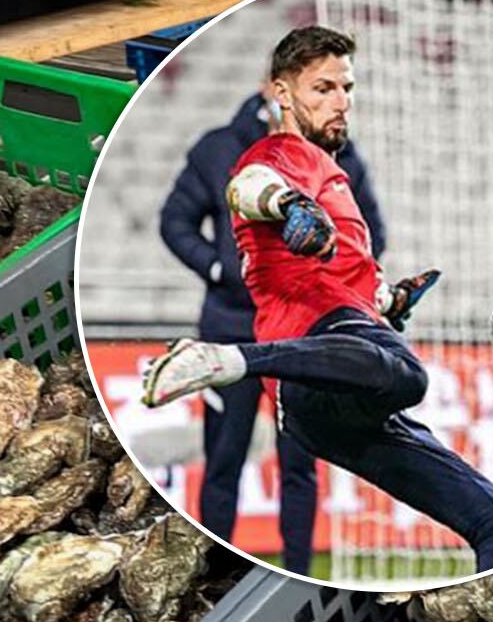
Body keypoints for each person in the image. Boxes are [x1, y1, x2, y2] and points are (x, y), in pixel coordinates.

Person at [142, 25, 493, 573]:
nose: (341, 102)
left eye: (346, 88)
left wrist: (387, 299)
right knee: (403, 375)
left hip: (334, 381)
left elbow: (346, 258)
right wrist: (287, 205)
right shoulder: (281, 151)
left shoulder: (339, 168)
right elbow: (248, 186)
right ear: (281, 93)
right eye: (323, 88)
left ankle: (298, 573)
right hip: (304, 337)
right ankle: (222, 362)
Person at [158, 84, 388, 576]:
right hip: (231, 328)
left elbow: (373, 234)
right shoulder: (219, 147)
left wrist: (334, 279)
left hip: (304, 331)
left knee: (300, 465)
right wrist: (219, 270)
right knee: (225, 456)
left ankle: (298, 574)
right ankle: (214, 573)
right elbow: (175, 221)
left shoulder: (337, 159)